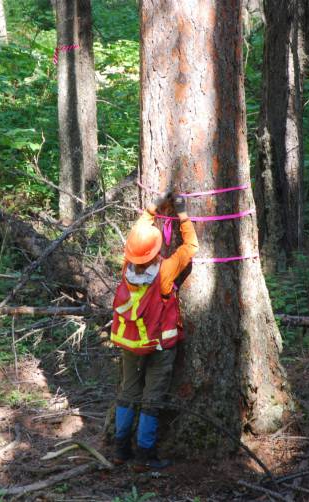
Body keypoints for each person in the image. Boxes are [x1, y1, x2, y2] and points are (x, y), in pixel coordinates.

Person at [110, 191, 198, 470]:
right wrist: (182, 214)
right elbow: (191, 246)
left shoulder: (126, 267)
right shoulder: (166, 270)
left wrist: (152, 207)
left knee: (127, 393)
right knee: (152, 399)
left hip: (130, 342)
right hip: (160, 345)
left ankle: (121, 450)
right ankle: (145, 455)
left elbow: (138, 233)